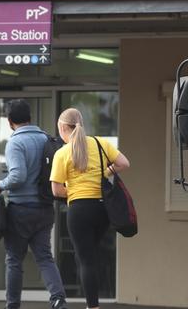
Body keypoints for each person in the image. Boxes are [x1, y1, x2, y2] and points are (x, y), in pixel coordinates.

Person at [0, 99, 68, 309]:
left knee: (14, 259)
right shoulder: (46, 139)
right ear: (30, 118)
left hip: (20, 210)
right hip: (44, 208)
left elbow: (18, 176)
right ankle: (58, 298)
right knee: (44, 257)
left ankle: (13, 305)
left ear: (10, 121)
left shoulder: (15, 142)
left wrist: (0, 185)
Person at [50, 108, 130, 309]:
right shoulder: (99, 143)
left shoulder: (62, 153)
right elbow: (123, 163)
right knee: (89, 256)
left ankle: (92, 306)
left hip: (79, 210)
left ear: (62, 128)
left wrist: (75, 190)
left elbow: (57, 190)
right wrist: (104, 171)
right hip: (102, 210)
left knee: (85, 259)